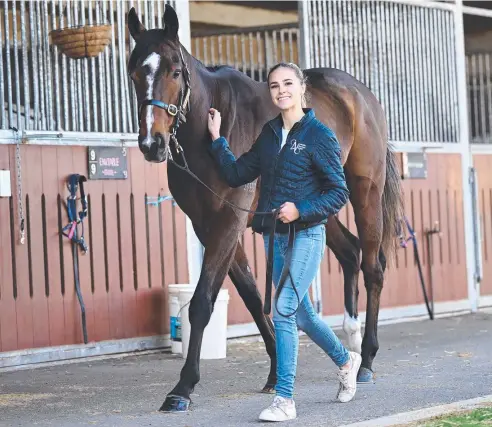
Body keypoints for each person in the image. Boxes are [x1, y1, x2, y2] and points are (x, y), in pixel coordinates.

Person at [207, 62, 361, 422]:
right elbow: (237, 173)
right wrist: (216, 140)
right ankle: (345, 359)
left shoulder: (318, 135)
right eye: (274, 86)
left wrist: (301, 209)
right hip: (274, 237)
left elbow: (338, 192)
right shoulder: (269, 133)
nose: (281, 91)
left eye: (288, 83)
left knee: (283, 310)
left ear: (301, 87)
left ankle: (285, 399)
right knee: (302, 314)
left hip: (306, 234)